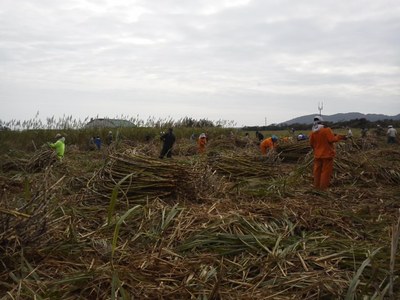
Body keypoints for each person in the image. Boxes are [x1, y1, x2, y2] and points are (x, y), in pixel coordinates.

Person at [309, 116, 346, 190]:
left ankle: (316, 186)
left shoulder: (312, 132)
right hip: (327, 155)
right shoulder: (326, 130)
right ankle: (323, 188)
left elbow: (311, 144)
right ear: (322, 122)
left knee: (317, 171)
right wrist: (339, 137)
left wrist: (317, 149)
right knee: (325, 172)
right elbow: (332, 139)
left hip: (317, 155)